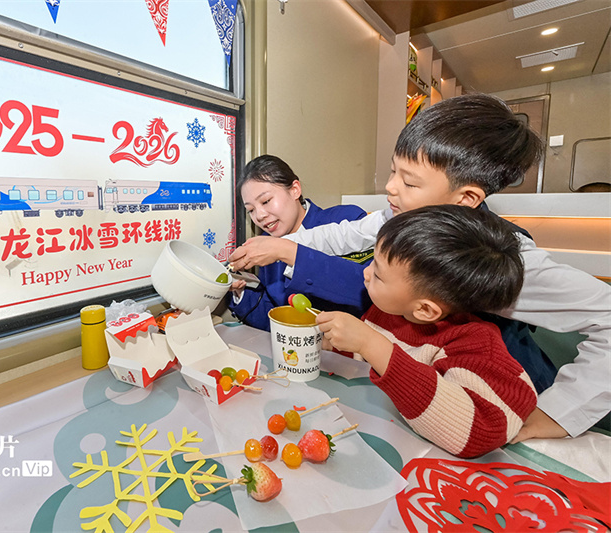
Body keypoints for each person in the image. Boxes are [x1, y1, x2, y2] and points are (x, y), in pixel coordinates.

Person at [231, 94, 611, 442]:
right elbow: (340, 236)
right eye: (393, 172)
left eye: (409, 181)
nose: (391, 189)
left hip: (501, 405)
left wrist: (557, 414)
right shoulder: (405, 217)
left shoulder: (508, 261)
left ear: (466, 198)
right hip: (433, 399)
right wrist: (279, 246)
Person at [318, 205, 538, 458]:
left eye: (378, 274)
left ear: (425, 309)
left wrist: (371, 344)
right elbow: (364, 369)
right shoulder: (389, 312)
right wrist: (333, 343)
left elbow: (478, 433)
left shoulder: (474, 345)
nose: (365, 274)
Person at [227, 155, 372, 331]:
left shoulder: (347, 221)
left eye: (266, 201)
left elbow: (367, 293)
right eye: (251, 210)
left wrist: (289, 252)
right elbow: (272, 319)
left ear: (295, 190)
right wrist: (240, 290)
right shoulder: (268, 244)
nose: (259, 216)